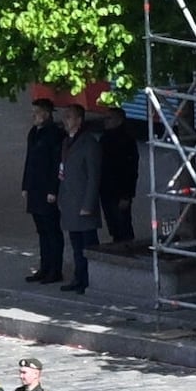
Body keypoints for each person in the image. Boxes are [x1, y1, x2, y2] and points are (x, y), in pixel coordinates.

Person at [56, 108, 108, 297]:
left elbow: (94, 177)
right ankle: (79, 278)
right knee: (76, 245)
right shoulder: (66, 142)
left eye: (69, 117)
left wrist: (88, 204)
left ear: (79, 120)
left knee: (88, 245)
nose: (65, 120)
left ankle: (88, 279)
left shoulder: (89, 143)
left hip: (83, 203)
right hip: (70, 202)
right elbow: (63, 173)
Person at [26, 104, 77, 290]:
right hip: (35, 189)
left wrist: (53, 190)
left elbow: (56, 164)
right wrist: (26, 185)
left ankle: (55, 269)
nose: (34, 116)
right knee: (41, 230)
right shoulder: (34, 133)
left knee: (52, 230)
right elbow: (29, 160)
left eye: (37, 113)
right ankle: (44, 266)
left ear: (46, 115)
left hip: (47, 190)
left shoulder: (54, 135)